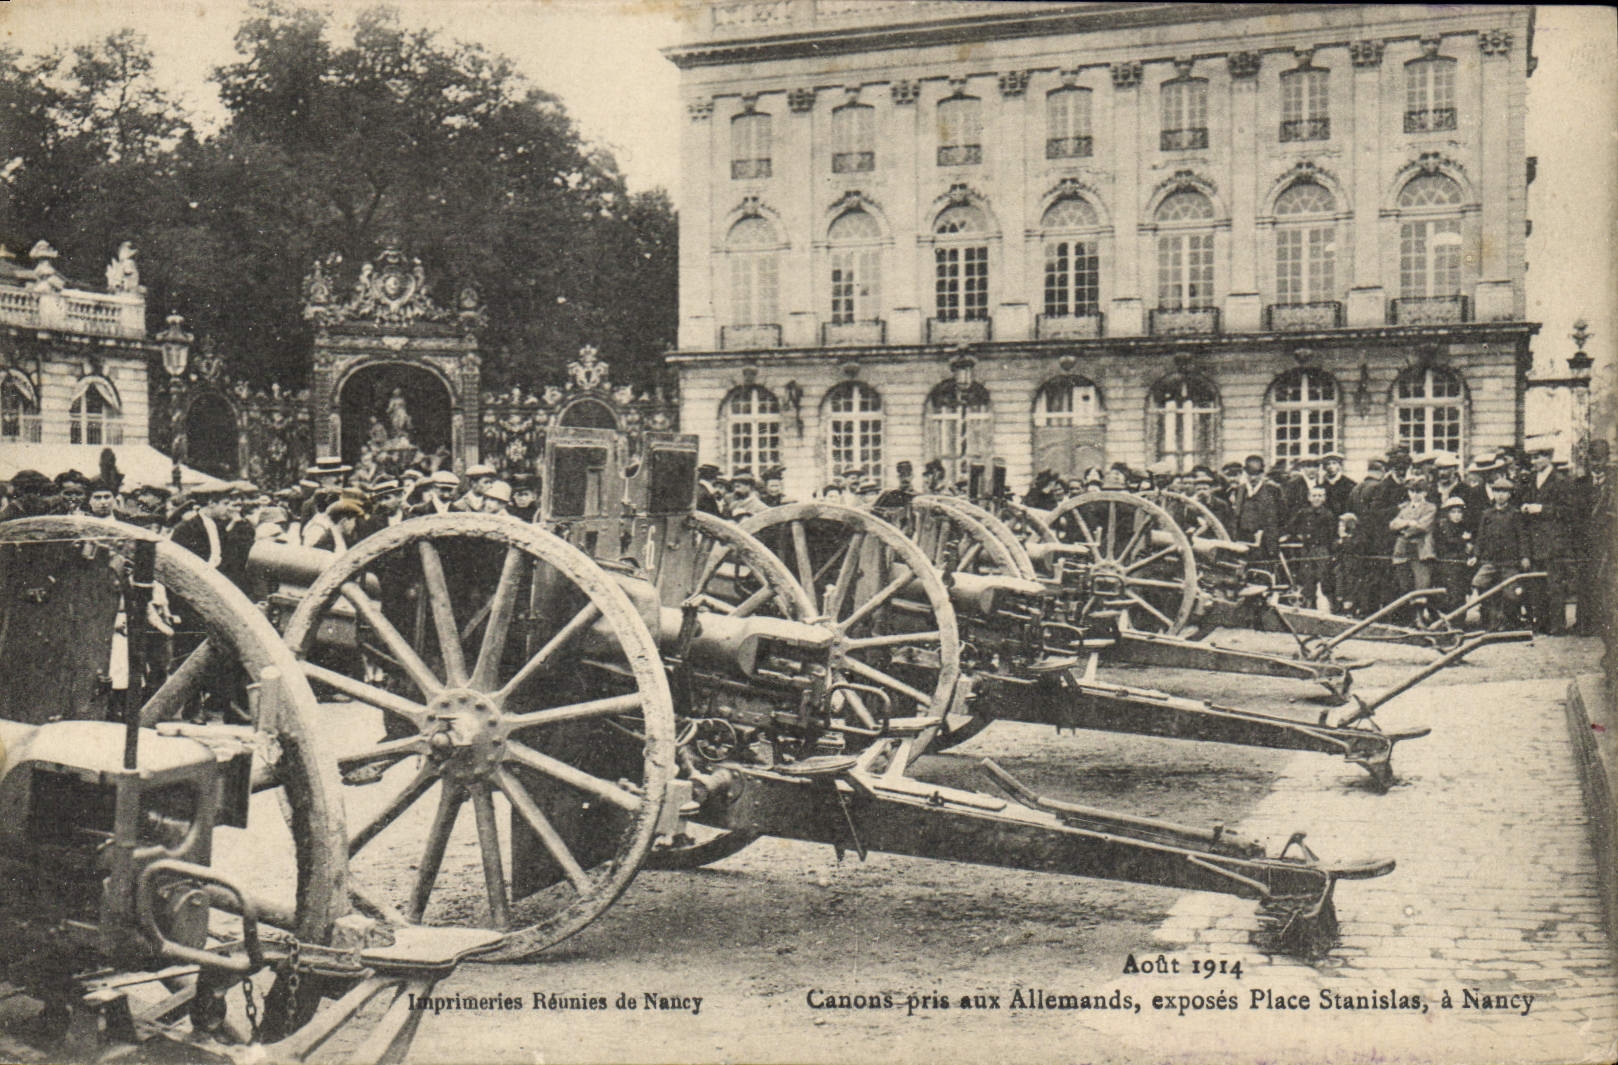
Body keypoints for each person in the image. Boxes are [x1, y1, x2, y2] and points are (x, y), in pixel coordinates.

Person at [1518, 446, 1574, 634]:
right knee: (1537, 585)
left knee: (1554, 585)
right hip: (1534, 542)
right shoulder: (1531, 481)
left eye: (1537, 458)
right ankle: (1541, 623)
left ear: (1548, 458)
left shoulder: (1561, 481)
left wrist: (1541, 509)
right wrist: (1526, 507)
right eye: (1532, 458)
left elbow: (1568, 512)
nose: (1533, 462)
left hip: (1553, 542)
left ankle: (1557, 625)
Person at [1471, 475, 1532, 629]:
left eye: (1504, 492)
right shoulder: (1487, 514)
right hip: (1490, 560)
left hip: (1509, 561)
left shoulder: (1515, 514)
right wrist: (1476, 555)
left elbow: (1523, 537)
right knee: (1480, 583)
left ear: (1510, 495)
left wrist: (1525, 556)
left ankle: (1510, 620)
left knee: (1511, 594)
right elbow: (1480, 537)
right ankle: (1490, 619)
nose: (1500, 495)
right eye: (1497, 491)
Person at [1388, 474, 1437, 613]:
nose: (1415, 495)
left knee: (1421, 586)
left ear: (1425, 492)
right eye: (1412, 491)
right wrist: (1409, 523)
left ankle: (1421, 617)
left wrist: (1403, 530)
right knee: (1405, 585)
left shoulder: (1430, 507)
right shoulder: (1405, 508)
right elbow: (1393, 525)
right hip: (1402, 551)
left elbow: (1422, 527)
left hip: (1421, 550)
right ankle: (1412, 618)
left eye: (1419, 491)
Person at [1285, 483, 1336, 610]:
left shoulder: (1328, 515)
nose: (1317, 498)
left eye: (1320, 496)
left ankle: (1333, 608)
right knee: (1308, 579)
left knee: (1325, 580)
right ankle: (1309, 607)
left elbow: (1332, 534)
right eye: (1314, 496)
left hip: (1321, 550)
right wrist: (1298, 535)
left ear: (1324, 498)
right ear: (1309, 498)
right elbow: (1291, 526)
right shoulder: (1303, 513)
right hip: (1307, 550)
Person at [1233, 454, 1284, 562]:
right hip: (1245, 539)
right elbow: (1237, 515)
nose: (1253, 478)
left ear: (1263, 473)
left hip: (1266, 542)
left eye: (1257, 474)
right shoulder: (1240, 490)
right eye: (1250, 474)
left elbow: (1282, 515)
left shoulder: (1273, 490)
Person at [1431, 496, 1475, 615]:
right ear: (1447, 513)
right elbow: (1447, 543)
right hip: (1447, 565)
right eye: (1453, 512)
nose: (1457, 515)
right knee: (1451, 594)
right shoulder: (1443, 526)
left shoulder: (1463, 526)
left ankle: (1458, 620)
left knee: (1461, 594)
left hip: (1461, 565)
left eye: (1459, 512)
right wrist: (1462, 541)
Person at [1320, 452, 1355, 518]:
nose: (1331, 466)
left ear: (1340, 465)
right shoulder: (1321, 486)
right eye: (1328, 464)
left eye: (1334, 463)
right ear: (1324, 467)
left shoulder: (1349, 484)